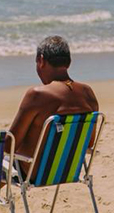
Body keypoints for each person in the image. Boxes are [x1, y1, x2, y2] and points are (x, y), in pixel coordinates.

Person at [8, 36, 99, 180]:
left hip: (35, 172)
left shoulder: (37, 95)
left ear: (41, 60)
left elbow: (9, 145)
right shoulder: (87, 93)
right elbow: (89, 142)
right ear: (69, 62)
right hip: (69, 171)